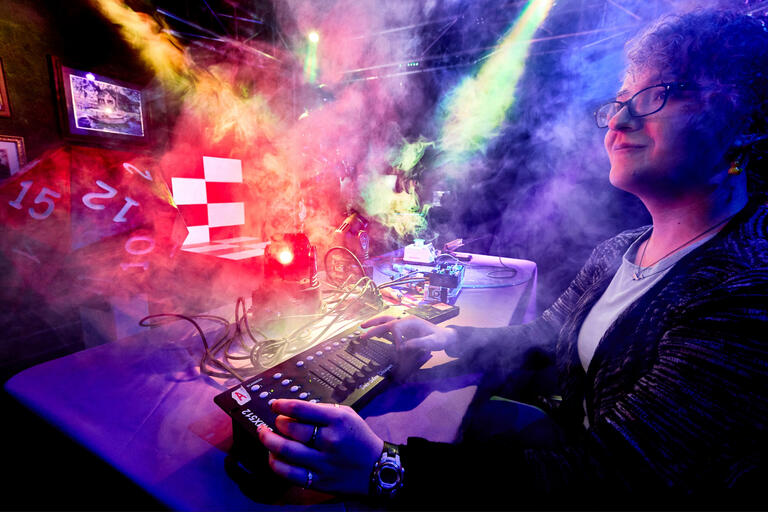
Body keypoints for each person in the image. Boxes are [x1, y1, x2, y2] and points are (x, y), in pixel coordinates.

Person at [256, 9, 768, 509]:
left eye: (657, 95)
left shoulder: (746, 296)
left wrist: (386, 471)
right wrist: (451, 338)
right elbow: (547, 338)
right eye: (618, 102)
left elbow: (617, 478)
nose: (619, 119)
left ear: (742, 120)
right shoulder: (622, 248)